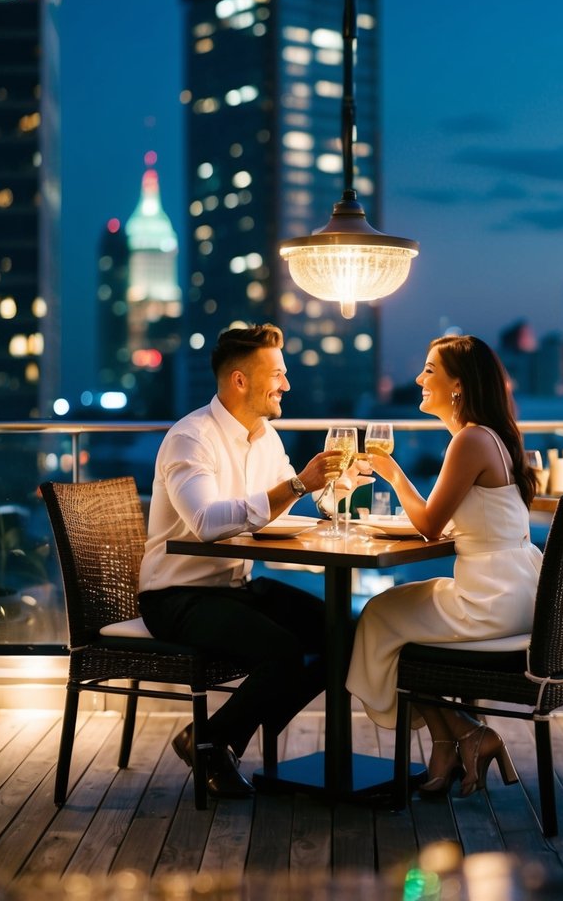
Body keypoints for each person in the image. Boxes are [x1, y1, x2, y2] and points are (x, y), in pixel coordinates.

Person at [139, 323, 342, 800]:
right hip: (176, 596)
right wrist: (297, 486)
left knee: (344, 630)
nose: (286, 385)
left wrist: (333, 486)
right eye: (277, 374)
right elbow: (208, 522)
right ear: (239, 380)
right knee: (284, 652)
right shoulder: (191, 438)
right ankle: (215, 742)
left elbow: (285, 504)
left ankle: (221, 735)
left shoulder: (266, 437)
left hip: (235, 586)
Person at [346, 334, 541, 799]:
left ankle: (467, 730)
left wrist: (394, 474)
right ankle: (448, 743)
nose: (418, 377)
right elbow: (476, 521)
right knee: (397, 616)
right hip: (518, 589)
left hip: (490, 600)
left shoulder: (470, 439)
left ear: (458, 385)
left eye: (429, 369)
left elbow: (431, 526)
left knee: (378, 614)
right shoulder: (492, 436)